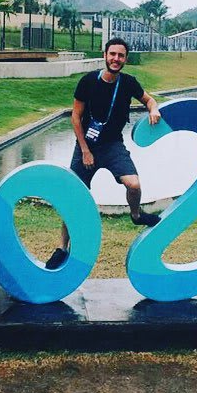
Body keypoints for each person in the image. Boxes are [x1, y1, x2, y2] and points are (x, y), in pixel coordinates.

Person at [46, 37, 162, 269]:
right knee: (74, 197)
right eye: (112, 54)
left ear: (125, 59)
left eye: (120, 55)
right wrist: (85, 151)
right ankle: (62, 248)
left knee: (134, 185)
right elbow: (76, 117)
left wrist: (154, 108)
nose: (116, 59)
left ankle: (136, 215)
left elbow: (149, 99)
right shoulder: (88, 81)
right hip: (86, 146)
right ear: (105, 55)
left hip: (112, 146)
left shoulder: (129, 83)